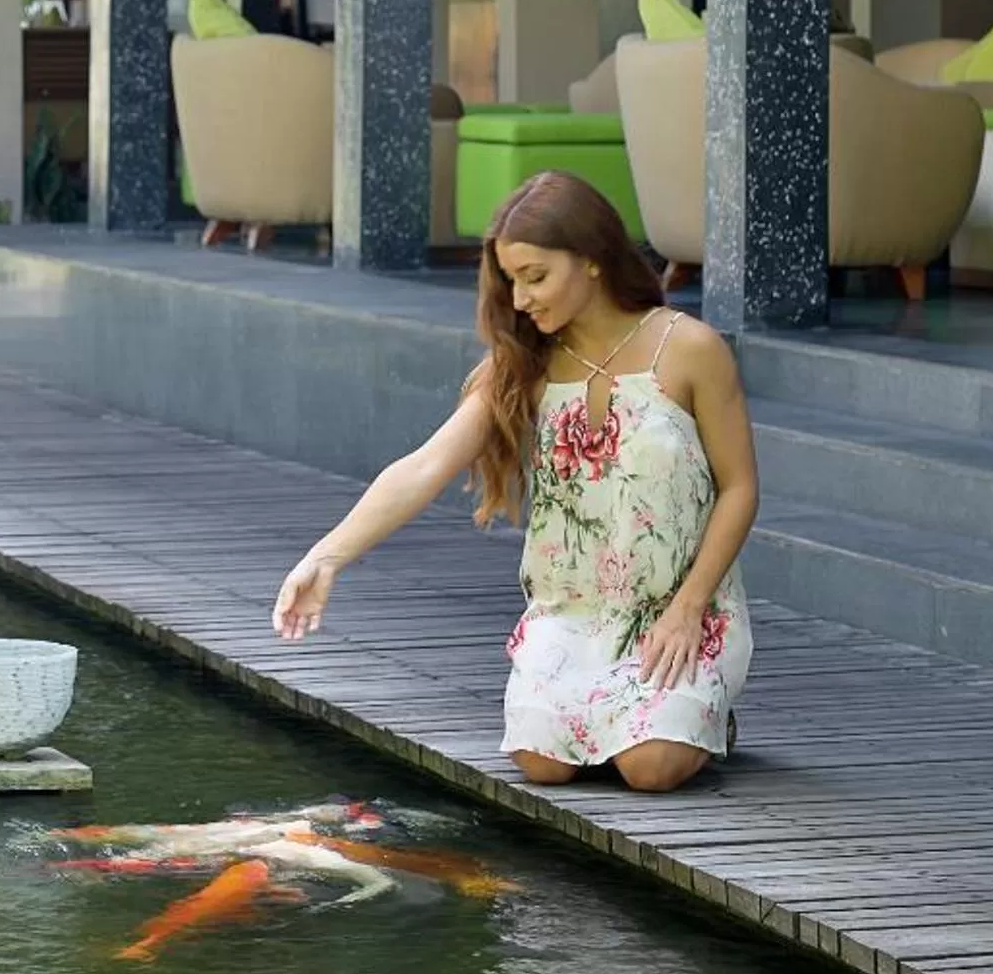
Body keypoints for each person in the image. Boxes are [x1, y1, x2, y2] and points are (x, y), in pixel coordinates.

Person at [271, 172, 758, 793]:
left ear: (592, 262)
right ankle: (660, 714)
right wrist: (327, 557)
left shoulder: (689, 348)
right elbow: (424, 466)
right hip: (575, 612)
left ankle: (701, 718)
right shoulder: (523, 366)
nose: (521, 299)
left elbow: (740, 488)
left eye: (535, 277)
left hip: (680, 608)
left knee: (651, 769)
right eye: (511, 281)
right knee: (542, 764)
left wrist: (689, 607)